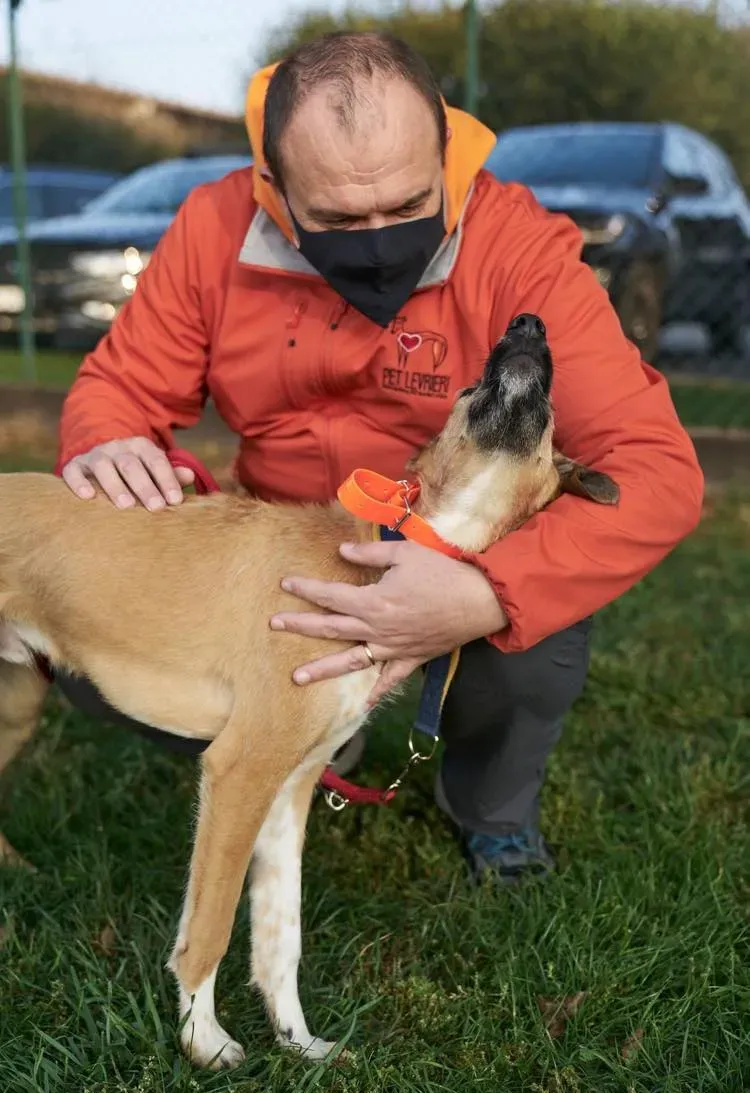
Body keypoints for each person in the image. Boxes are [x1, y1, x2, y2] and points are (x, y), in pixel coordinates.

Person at [56, 32, 703, 883]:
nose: (376, 239)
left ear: (443, 154)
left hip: (463, 548)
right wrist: (108, 437)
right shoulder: (215, 228)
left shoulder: (520, 248)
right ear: (273, 183)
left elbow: (656, 467)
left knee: (531, 650)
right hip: (286, 552)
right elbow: (122, 388)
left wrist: (485, 592)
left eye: (406, 206)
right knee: (85, 619)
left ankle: (492, 810)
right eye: (335, 219)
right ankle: (325, 735)